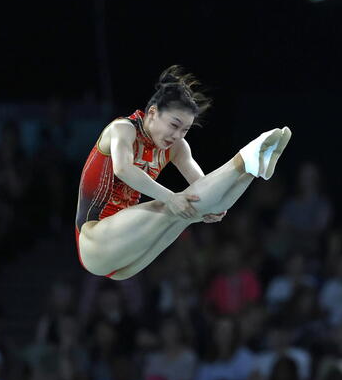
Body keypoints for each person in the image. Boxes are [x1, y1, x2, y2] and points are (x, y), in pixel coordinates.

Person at [74, 65, 291, 280]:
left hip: (126, 261)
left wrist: (213, 207)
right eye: (174, 125)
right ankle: (244, 158)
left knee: (195, 208)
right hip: (94, 239)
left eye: (185, 130)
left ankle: (252, 169)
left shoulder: (177, 147)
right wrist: (171, 197)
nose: (177, 135)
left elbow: (202, 186)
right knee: (172, 205)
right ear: (152, 113)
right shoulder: (122, 129)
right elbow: (123, 169)